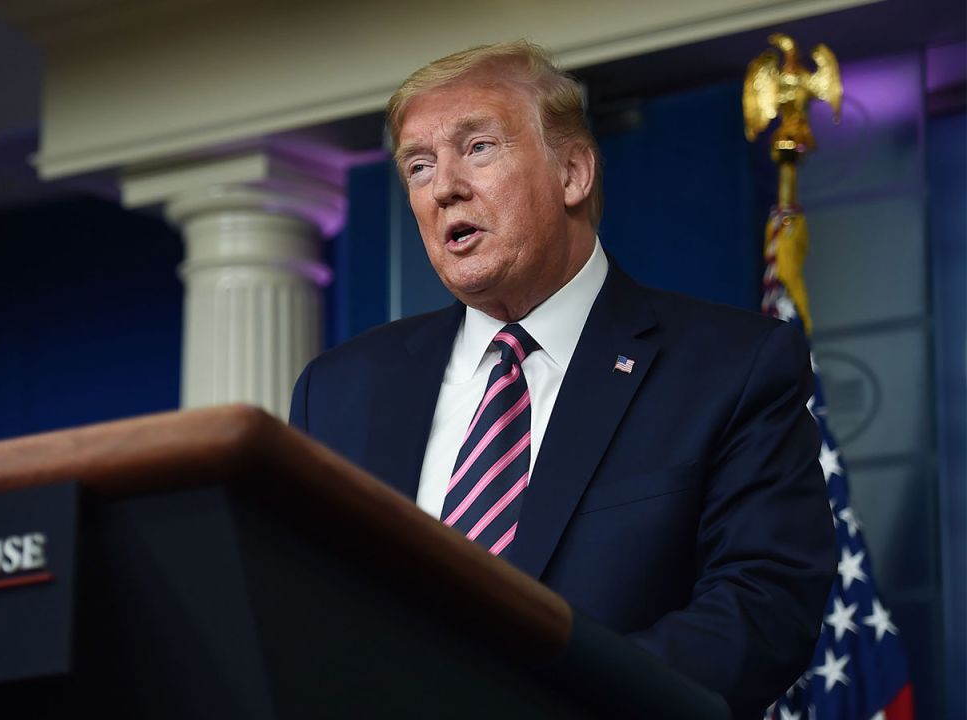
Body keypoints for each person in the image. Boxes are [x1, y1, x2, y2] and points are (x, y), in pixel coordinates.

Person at [288, 40, 835, 719]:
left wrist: (546, 703)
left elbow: (764, 604)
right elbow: (295, 617)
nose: (444, 186)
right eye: (419, 165)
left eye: (478, 147)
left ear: (573, 172)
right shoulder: (336, 392)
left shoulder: (731, 366)